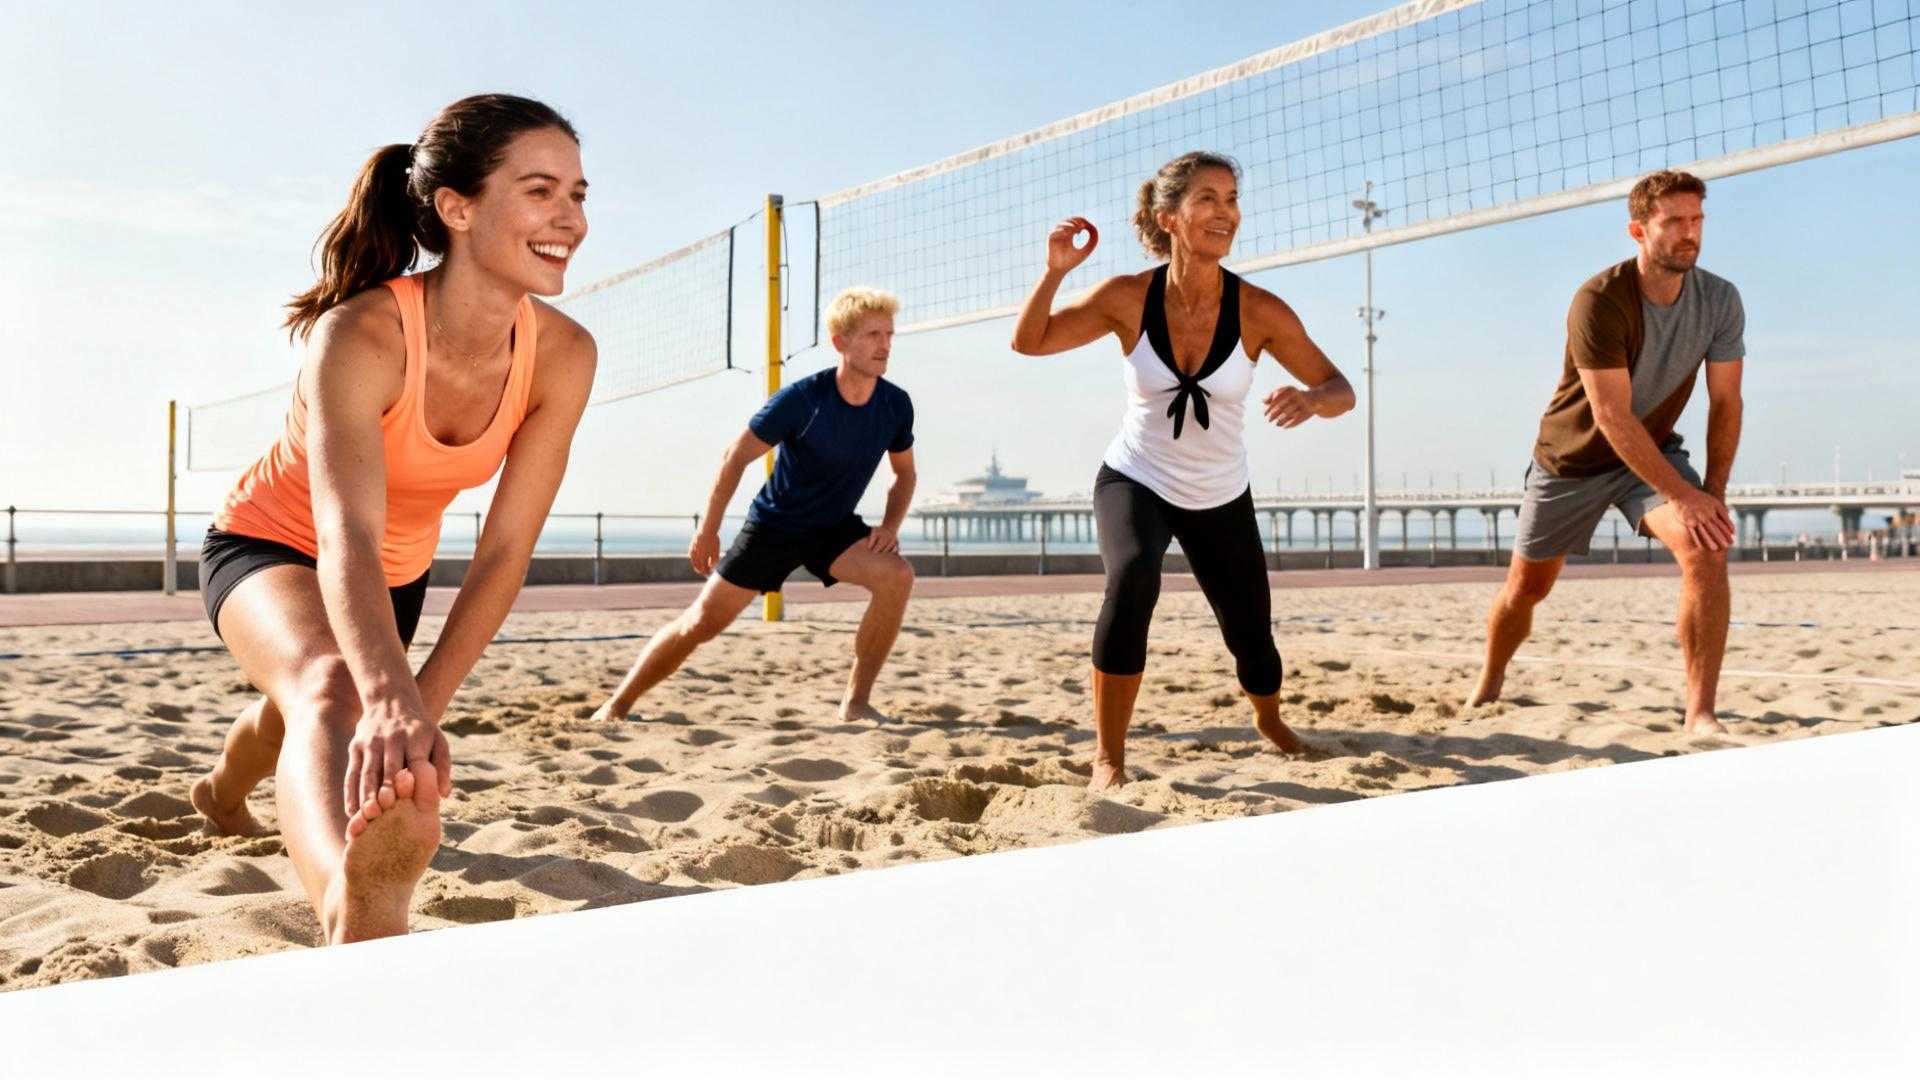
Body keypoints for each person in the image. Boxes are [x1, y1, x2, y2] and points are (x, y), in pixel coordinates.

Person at [187, 94, 598, 943]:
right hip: (272, 541)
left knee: (307, 708)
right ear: (457, 207)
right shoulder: (361, 333)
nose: (572, 219)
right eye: (540, 191)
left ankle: (220, 794)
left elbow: (505, 550)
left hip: (394, 570)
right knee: (330, 685)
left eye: (578, 194)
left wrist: (416, 715)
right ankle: (350, 905)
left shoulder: (565, 354)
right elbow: (346, 532)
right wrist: (387, 700)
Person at [1010, 151, 1355, 790]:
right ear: (1169, 217)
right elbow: (1030, 341)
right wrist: (1054, 274)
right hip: (1136, 475)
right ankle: (1108, 758)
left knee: (1252, 636)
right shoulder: (1125, 297)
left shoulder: (1259, 311)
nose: (1226, 213)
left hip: (1219, 491)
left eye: (1232, 199)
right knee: (1133, 577)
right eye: (1208, 199)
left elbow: (1341, 390)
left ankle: (1269, 719)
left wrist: (1311, 401)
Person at [1468, 169, 1745, 734]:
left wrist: (1711, 496)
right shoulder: (1598, 300)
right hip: (1572, 461)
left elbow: (1726, 401)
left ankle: (1700, 713)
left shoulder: (1720, 299)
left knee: (1707, 548)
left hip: (1652, 453)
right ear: (1638, 230)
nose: (1689, 232)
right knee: (1527, 588)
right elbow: (1612, 416)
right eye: (1674, 221)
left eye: (1697, 220)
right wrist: (1683, 496)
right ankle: (1490, 679)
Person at [590, 287, 916, 725]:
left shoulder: (895, 405)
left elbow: (904, 474)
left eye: (889, 334)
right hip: (775, 527)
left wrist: (890, 527)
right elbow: (735, 456)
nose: (885, 345)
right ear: (840, 341)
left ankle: (855, 703)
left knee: (897, 576)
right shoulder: (803, 399)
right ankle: (616, 706)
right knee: (700, 623)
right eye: (874, 334)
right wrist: (708, 530)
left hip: (833, 529)